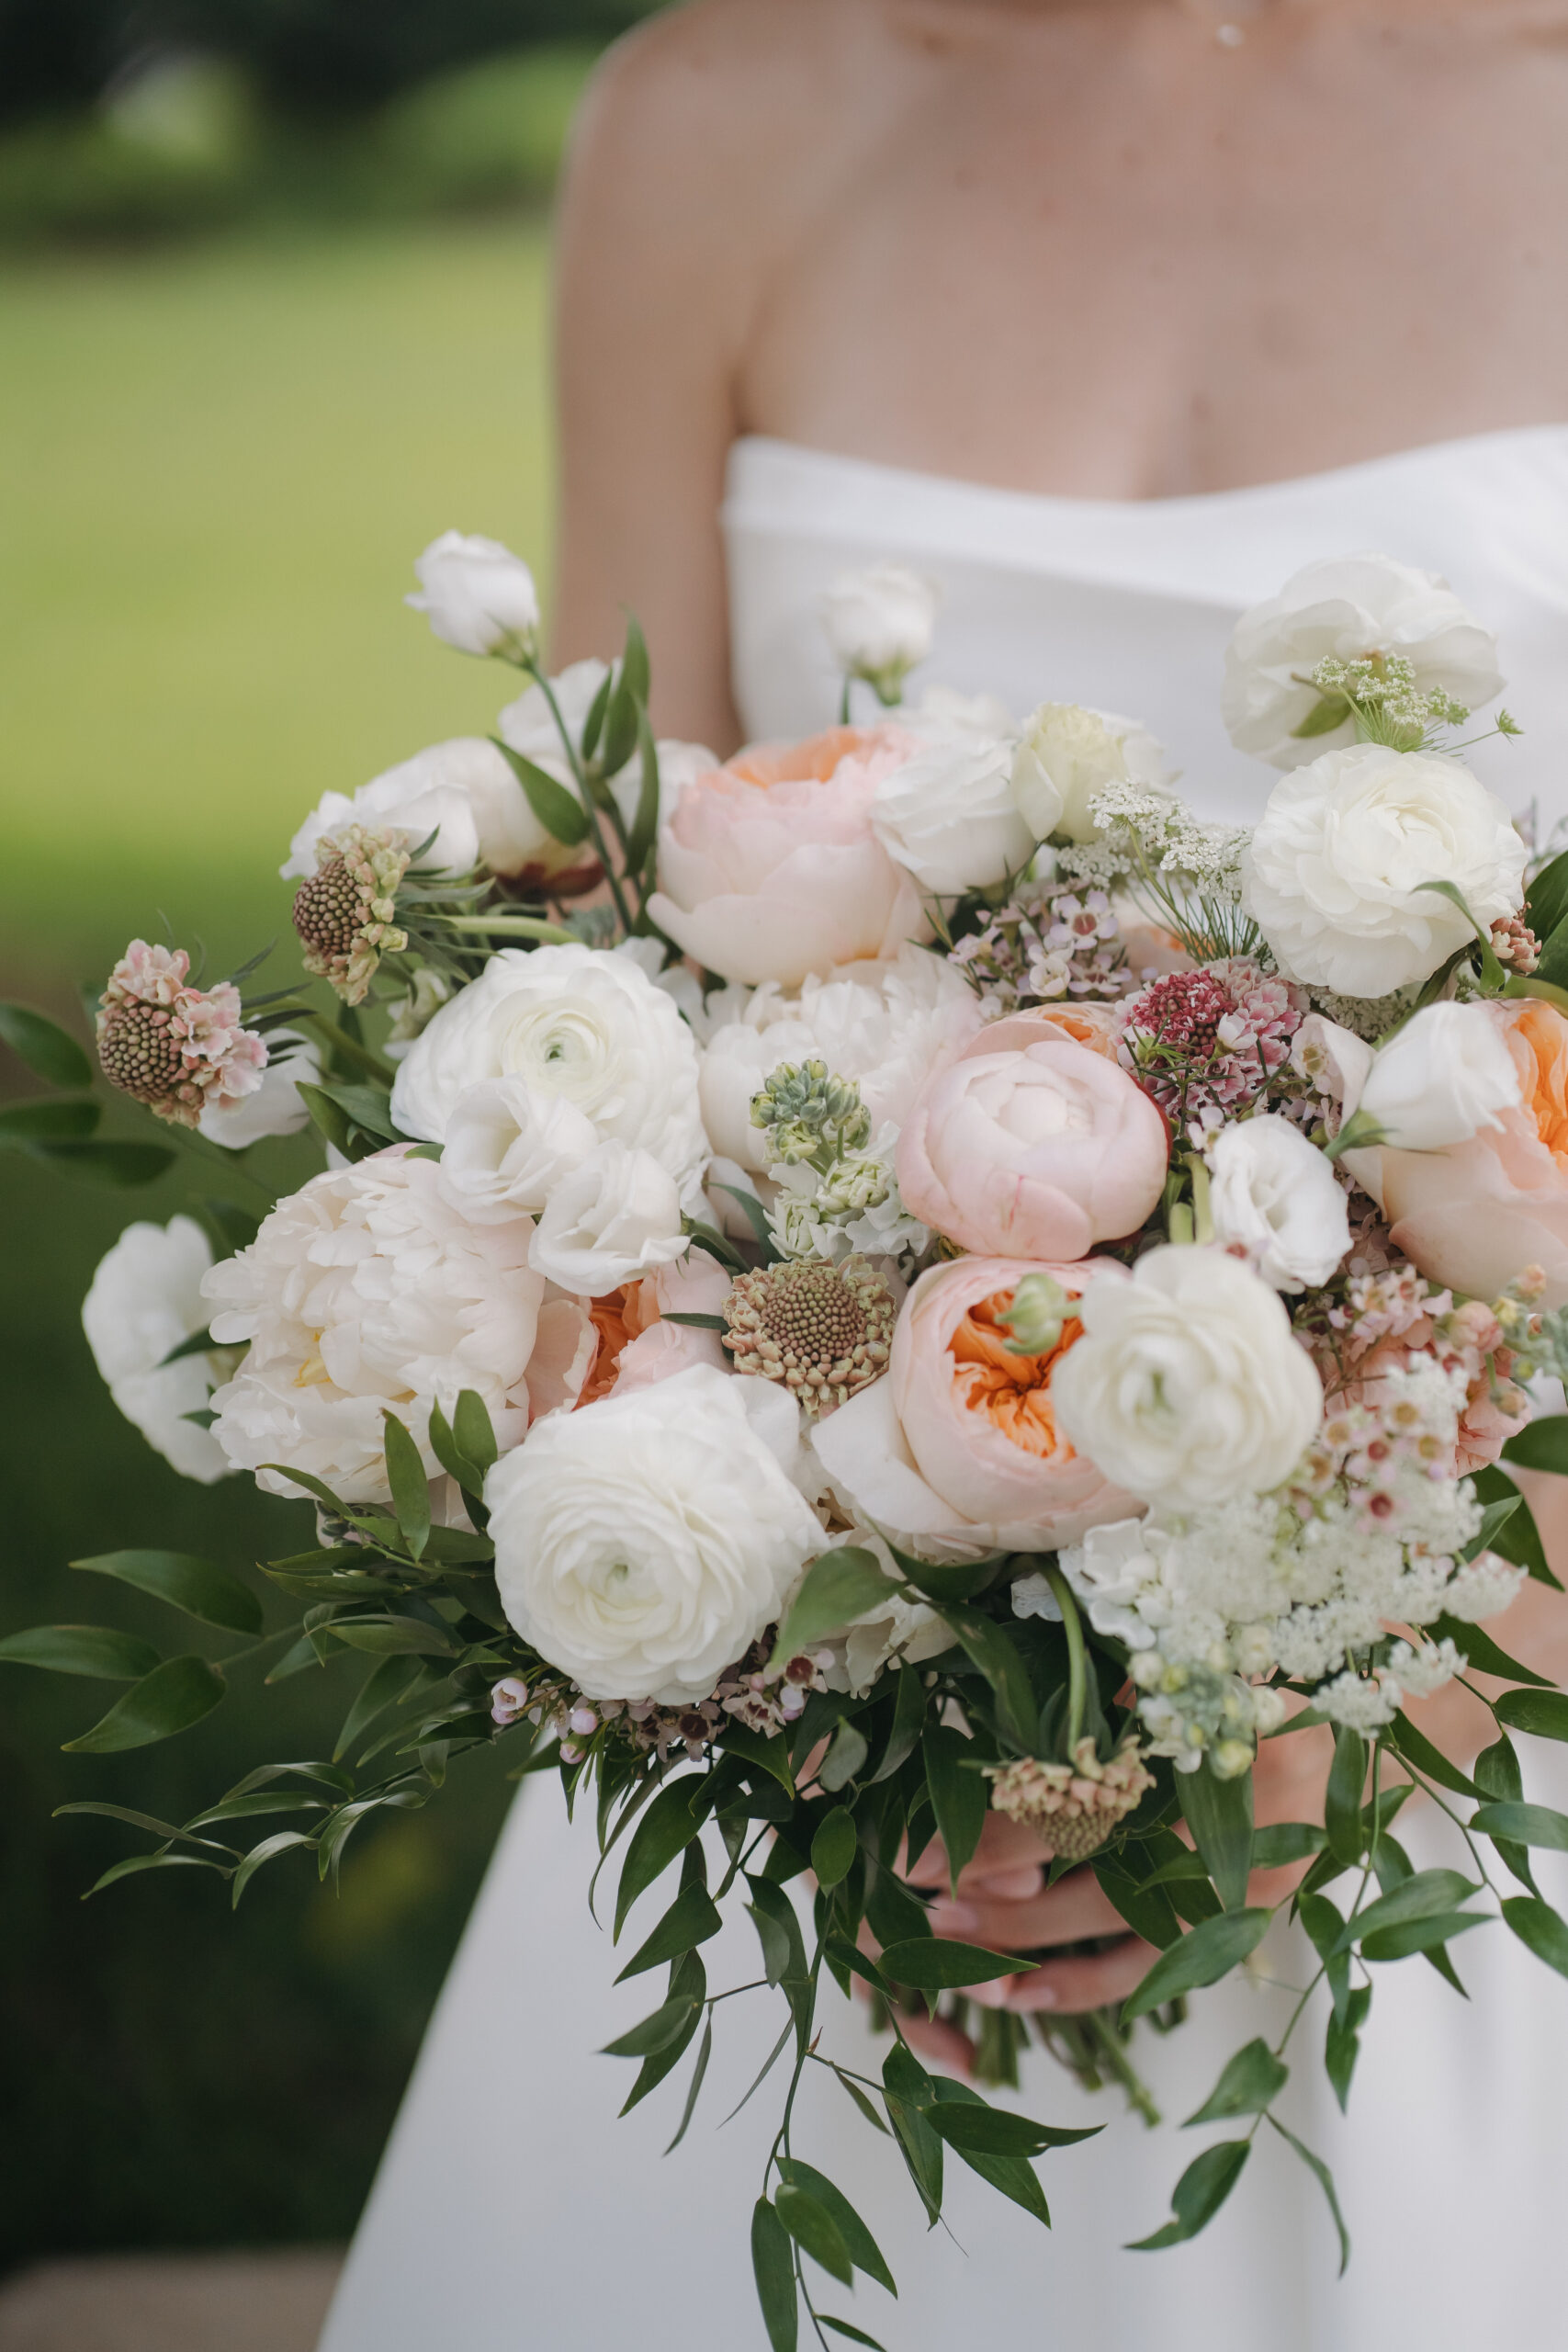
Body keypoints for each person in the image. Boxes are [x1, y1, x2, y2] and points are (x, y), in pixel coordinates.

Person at [319, 5, 1568, 2345]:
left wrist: (1419, 1684)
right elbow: (603, 983)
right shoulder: (716, 117)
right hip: (846, 1722)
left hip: (1501, 1671)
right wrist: (784, 1660)